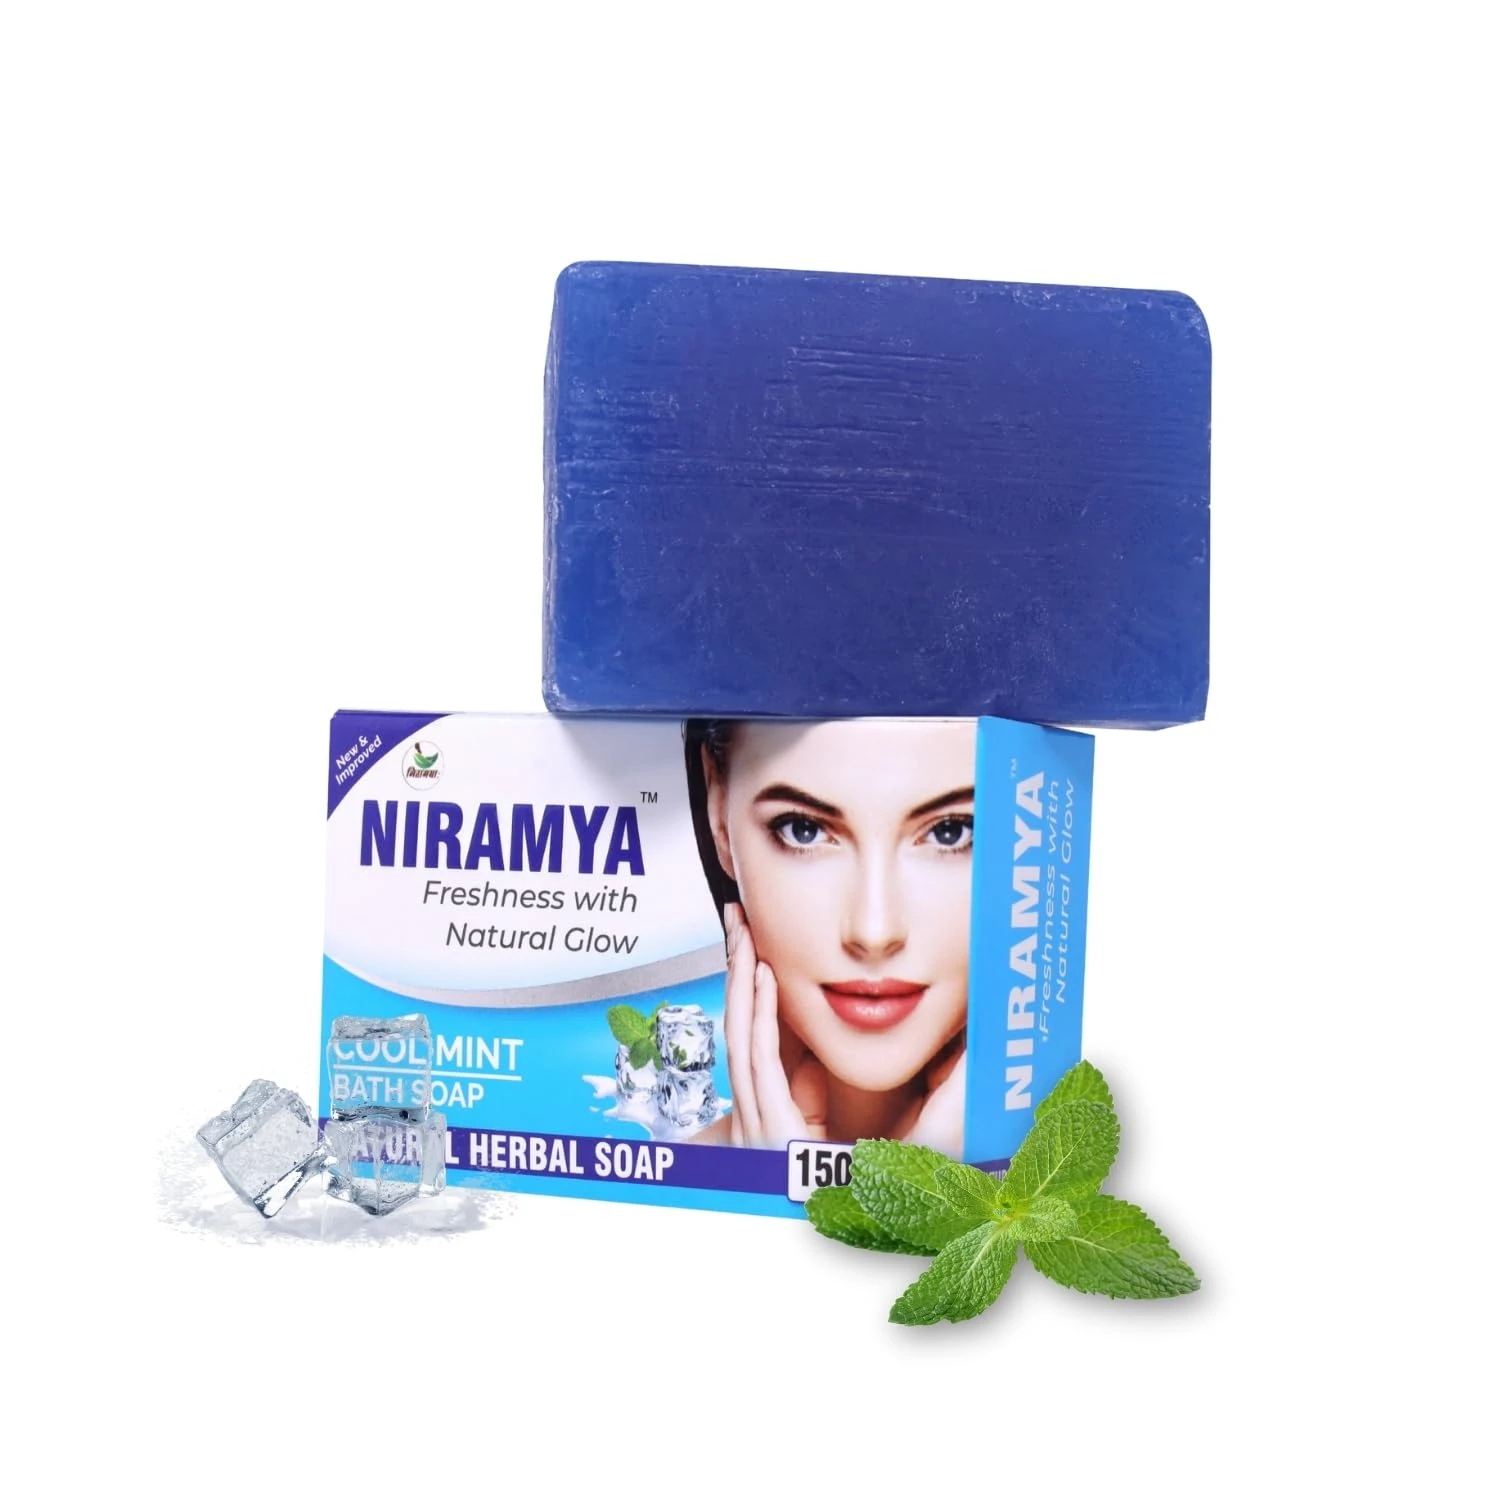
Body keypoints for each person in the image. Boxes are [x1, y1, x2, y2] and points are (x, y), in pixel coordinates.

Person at [683, 718, 974, 1155]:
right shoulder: (627, 1191)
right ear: (718, 810)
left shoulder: (1067, 1168)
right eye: (804, 829)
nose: (874, 932)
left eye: (949, 831)